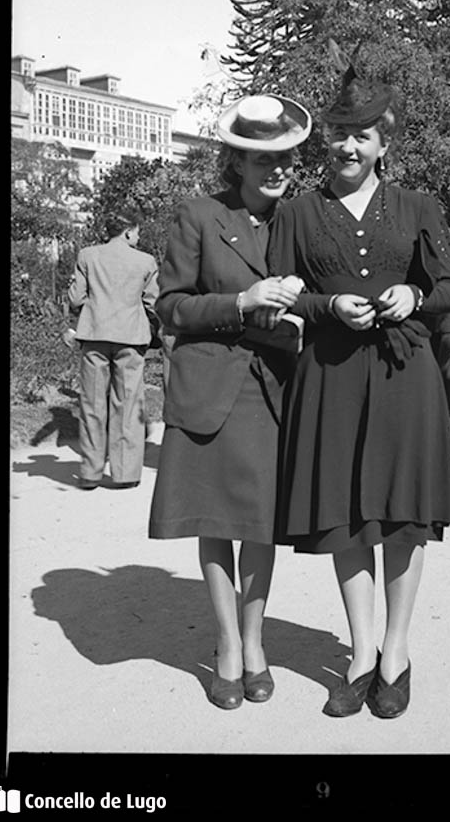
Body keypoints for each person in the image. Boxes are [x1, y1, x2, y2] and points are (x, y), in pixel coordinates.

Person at [267, 56, 450, 720]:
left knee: (403, 518)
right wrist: (326, 308)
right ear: (327, 138)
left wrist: (414, 291)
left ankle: (397, 653)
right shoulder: (297, 213)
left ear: (385, 142)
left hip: (404, 378)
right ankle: (358, 656)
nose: (349, 147)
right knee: (347, 517)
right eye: (339, 133)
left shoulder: (417, 207)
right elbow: (284, 297)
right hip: (331, 380)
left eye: (364, 135)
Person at [147, 94, 311, 709]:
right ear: (237, 161)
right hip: (211, 386)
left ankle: (255, 640)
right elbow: (169, 306)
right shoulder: (198, 215)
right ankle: (225, 645)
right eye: (262, 157)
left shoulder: (302, 219)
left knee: (261, 523)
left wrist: (302, 317)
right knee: (213, 522)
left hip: (273, 386)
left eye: (286, 157)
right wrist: (240, 304)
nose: (278, 168)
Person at [64, 210, 160, 490]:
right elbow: (153, 301)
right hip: (131, 336)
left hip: (94, 334)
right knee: (128, 404)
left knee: (92, 403)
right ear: (128, 232)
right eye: (138, 231)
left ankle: (90, 472)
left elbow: (75, 298)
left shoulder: (87, 255)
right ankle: (125, 473)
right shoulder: (145, 261)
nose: (139, 236)